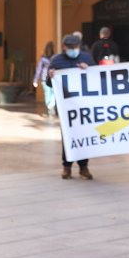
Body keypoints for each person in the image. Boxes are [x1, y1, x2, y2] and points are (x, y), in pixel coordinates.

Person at [47, 33, 96, 180]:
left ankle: (83, 166)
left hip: (84, 105)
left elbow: (97, 78)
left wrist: (88, 70)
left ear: (79, 47)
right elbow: (49, 84)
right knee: (68, 135)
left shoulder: (87, 58)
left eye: (75, 47)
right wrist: (50, 76)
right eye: (70, 47)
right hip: (66, 106)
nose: (73, 50)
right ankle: (66, 167)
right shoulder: (56, 60)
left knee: (83, 134)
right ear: (64, 47)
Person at [33, 41, 56, 116]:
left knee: (48, 93)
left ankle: (50, 106)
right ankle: (51, 106)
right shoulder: (55, 57)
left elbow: (39, 69)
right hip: (53, 77)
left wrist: (35, 80)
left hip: (45, 78)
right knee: (53, 93)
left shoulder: (43, 58)